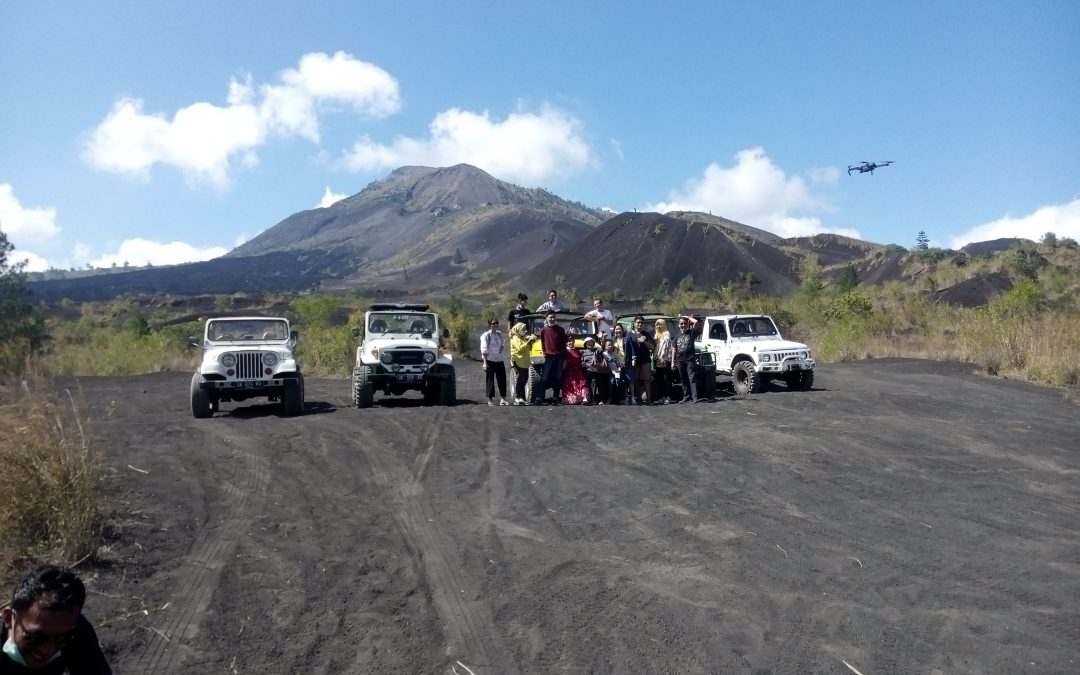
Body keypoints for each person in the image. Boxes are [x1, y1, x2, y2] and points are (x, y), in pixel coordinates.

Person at [1, 565, 112, 674]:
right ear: (8, 618)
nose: (47, 650)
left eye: (62, 639)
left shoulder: (72, 628)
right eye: (36, 637)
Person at [534, 311, 567, 404]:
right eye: (550, 317)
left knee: (558, 378)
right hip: (548, 357)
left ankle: (555, 397)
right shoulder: (544, 330)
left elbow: (563, 345)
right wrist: (545, 353)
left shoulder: (560, 330)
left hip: (559, 357)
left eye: (553, 317)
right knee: (544, 378)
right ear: (546, 318)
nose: (552, 319)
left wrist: (564, 359)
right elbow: (543, 343)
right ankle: (540, 397)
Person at [479, 318, 510, 406]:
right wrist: (485, 362)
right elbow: (484, 349)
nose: (495, 325)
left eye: (496, 323)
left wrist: (502, 348)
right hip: (490, 360)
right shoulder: (486, 335)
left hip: (499, 360)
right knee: (490, 380)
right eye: (493, 323)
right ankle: (490, 399)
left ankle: (503, 399)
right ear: (489, 325)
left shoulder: (499, 334)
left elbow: (503, 343)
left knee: (502, 379)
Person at [674, 315, 702, 403]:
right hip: (680, 360)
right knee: (683, 379)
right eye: (681, 324)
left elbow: (696, 322)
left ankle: (695, 397)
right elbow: (674, 349)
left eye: (685, 323)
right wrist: (672, 361)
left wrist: (687, 317)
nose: (683, 325)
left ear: (688, 324)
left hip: (690, 359)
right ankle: (686, 396)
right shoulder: (676, 336)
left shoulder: (691, 332)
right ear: (678, 325)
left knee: (692, 377)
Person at [627, 315, 655, 404]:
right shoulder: (629, 334)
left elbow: (652, 347)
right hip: (634, 361)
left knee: (647, 380)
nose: (640, 324)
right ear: (634, 324)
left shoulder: (647, 334)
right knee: (637, 380)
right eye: (638, 322)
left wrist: (644, 341)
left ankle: (649, 399)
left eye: (642, 323)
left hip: (645, 360)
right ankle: (638, 398)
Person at [508, 321, 535, 405]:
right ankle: (517, 397)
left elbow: (528, 342)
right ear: (518, 329)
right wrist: (528, 340)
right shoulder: (515, 338)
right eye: (522, 330)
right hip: (518, 361)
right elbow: (520, 348)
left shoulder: (521, 337)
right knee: (520, 379)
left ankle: (522, 398)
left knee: (524, 379)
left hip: (524, 361)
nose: (524, 331)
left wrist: (532, 339)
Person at [652, 318, 675, 404]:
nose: (658, 326)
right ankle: (661, 396)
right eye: (657, 324)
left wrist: (662, 356)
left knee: (667, 379)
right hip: (656, 358)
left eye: (660, 324)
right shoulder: (657, 334)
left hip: (664, 358)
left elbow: (666, 345)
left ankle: (668, 397)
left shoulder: (666, 333)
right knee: (659, 379)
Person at [611, 324, 635, 404]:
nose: (618, 331)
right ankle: (626, 398)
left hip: (627, 362)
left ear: (622, 330)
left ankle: (633, 397)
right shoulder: (613, 339)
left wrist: (633, 359)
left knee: (630, 380)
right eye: (616, 329)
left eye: (619, 329)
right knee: (623, 381)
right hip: (617, 363)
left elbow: (632, 349)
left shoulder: (627, 338)